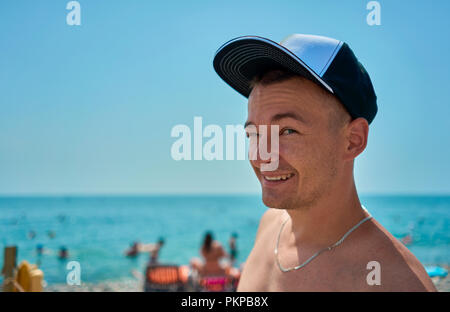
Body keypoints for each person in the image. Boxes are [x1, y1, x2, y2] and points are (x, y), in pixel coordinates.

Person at [213, 34, 436, 291]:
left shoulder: (395, 283)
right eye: (255, 134)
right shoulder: (270, 225)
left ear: (353, 141)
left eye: (287, 131)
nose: (262, 156)